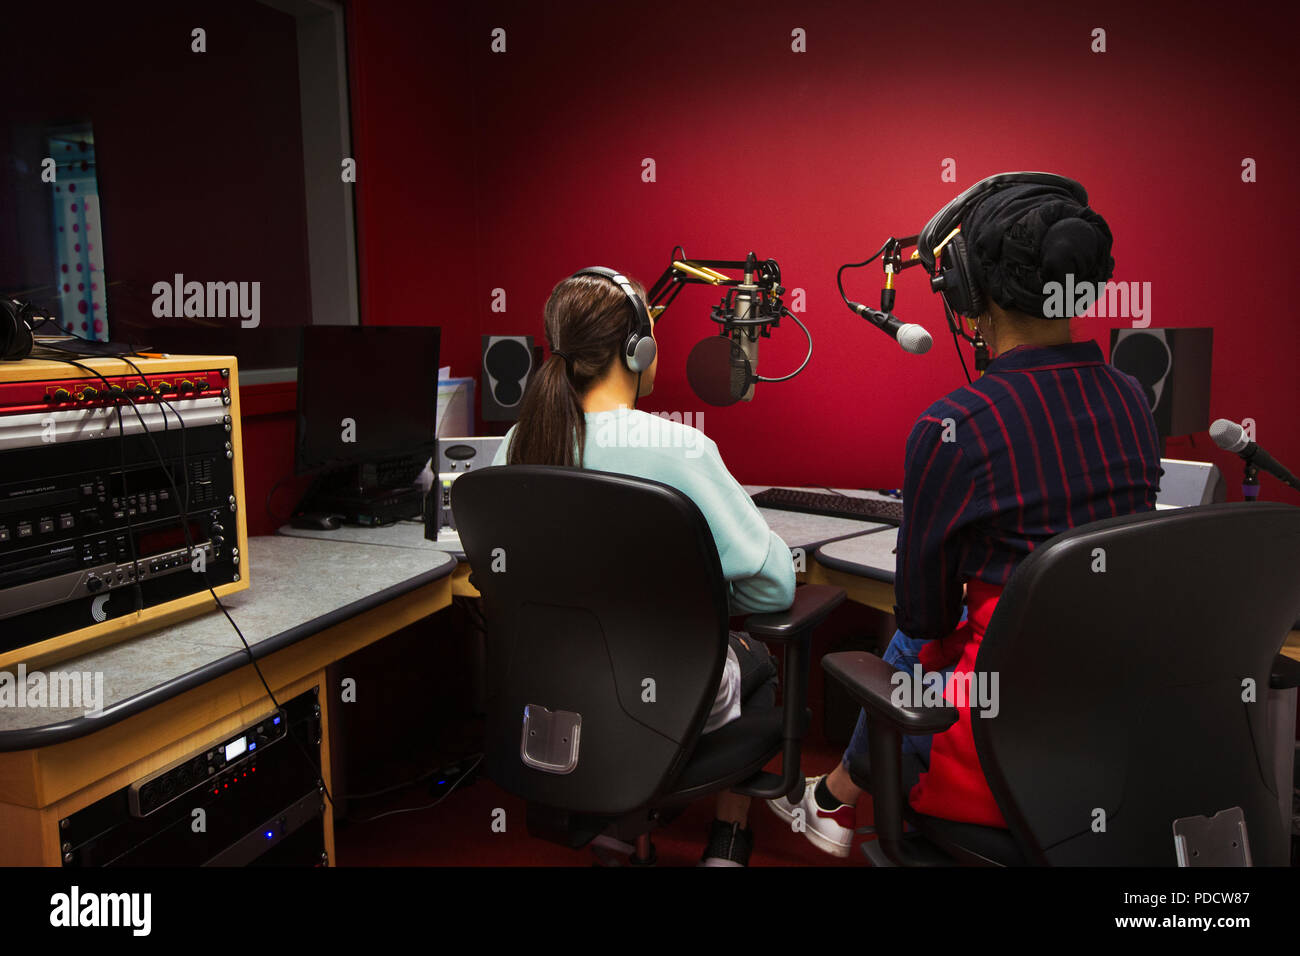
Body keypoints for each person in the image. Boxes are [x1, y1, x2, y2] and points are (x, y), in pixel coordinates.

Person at [769, 178, 1163, 857]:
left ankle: (833, 797)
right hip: (1115, 738)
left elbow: (921, 618)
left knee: (922, 639)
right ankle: (833, 797)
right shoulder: (1132, 398)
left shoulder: (956, 426)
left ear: (965, 293)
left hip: (990, 758)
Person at [493, 268, 796, 866]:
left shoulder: (515, 445)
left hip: (555, 697)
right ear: (640, 349)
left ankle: (611, 828)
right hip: (665, 701)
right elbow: (774, 587)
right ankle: (729, 841)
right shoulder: (680, 448)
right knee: (757, 657)